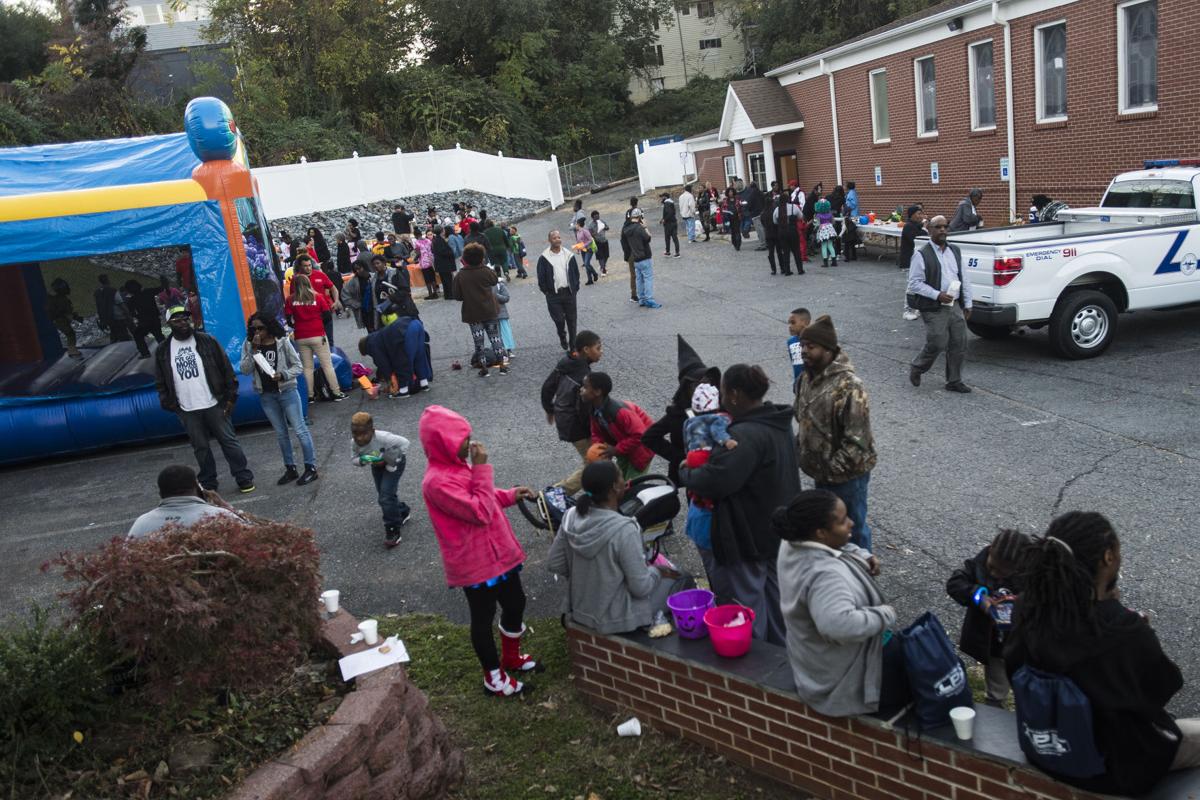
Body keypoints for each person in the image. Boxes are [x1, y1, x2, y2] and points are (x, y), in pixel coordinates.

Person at [1005, 512, 1200, 795]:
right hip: (1117, 768)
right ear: (1108, 557)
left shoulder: (1027, 609)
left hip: (1047, 751)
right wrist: (1133, 630)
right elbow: (1163, 688)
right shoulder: (1122, 629)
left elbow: (1015, 667)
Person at [418, 405, 540, 697]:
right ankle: (493, 677)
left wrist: (510, 494)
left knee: (515, 603)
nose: (470, 443)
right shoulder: (436, 482)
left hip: (499, 555)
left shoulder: (459, 467)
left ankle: (511, 656)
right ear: (443, 443)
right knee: (482, 619)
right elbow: (480, 511)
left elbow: (482, 493)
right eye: (463, 438)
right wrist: (483, 467)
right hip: (476, 565)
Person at [680, 364, 798, 645]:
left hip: (747, 534)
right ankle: (782, 660)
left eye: (723, 391)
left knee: (747, 606)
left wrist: (686, 471)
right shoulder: (776, 422)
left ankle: (756, 671)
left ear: (733, 394)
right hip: (775, 529)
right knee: (775, 599)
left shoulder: (745, 435)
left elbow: (715, 481)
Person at [775, 490, 907, 718]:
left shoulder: (793, 539)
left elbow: (835, 546)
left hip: (811, 662)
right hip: (840, 679)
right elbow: (838, 625)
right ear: (821, 532)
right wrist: (885, 614)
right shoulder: (823, 574)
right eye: (843, 521)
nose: (851, 523)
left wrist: (860, 555)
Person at [547, 460, 692, 633]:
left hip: (581, 608)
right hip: (615, 617)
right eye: (621, 477)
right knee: (682, 578)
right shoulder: (624, 529)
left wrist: (589, 577)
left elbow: (555, 563)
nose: (625, 481)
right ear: (615, 487)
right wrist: (658, 571)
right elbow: (641, 588)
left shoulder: (571, 515)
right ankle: (653, 632)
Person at [794, 315, 877, 550]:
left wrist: (832, 470)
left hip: (847, 477)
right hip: (822, 473)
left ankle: (862, 576)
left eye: (811, 347)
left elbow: (857, 441)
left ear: (828, 349)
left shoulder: (850, 386)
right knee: (829, 533)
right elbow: (802, 418)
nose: (804, 351)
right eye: (802, 346)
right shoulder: (805, 378)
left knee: (854, 530)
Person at [153, 305, 255, 493]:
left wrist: (230, 398)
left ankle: (243, 476)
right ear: (168, 324)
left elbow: (226, 369)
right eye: (177, 320)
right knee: (200, 447)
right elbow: (160, 380)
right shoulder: (163, 350)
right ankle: (208, 482)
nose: (183, 323)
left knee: (229, 441)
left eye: (185, 318)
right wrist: (170, 404)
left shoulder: (207, 341)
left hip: (214, 403)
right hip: (186, 408)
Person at [946, 529, 1030, 707]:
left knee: (1025, 679)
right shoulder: (979, 564)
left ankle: (1027, 706)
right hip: (993, 644)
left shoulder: (1029, 577)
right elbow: (955, 583)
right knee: (997, 679)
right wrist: (978, 596)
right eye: (992, 567)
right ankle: (995, 703)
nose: (994, 574)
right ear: (991, 549)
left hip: (1020, 641)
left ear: (1018, 567)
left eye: (1003, 573)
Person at [240, 312, 317, 486]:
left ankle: (311, 467)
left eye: (261, 328)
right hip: (266, 395)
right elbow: (244, 369)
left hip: (287, 391)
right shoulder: (249, 344)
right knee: (281, 434)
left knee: (300, 430)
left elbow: (298, 366)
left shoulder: (281, 342)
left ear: (269, 327)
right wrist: (253, 349)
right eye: (254, 329)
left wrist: (283, 375)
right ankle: (290, 468)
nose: (257, 332)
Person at [908, 214, 973, 393]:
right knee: (937, 342)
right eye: (938, 227)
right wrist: (937, 295)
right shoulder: (921, 255)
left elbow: (964, 277)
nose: (943, 230)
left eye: (945, 226)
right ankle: (918, 367)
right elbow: (914, 284)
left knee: (959, 342)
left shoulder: (955, 251)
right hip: (934, 306)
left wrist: (968, 303)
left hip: (955, 304)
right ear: (929, 230)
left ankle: (954, 380)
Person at [541, 331, 603, 495]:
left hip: (565, 419)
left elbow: (547, 387)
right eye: (598, 348)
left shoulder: (567, 361)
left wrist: (549, 408)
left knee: (595, 461)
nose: (601, 351)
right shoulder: (584, 376)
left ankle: (595, 492)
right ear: (586, 349)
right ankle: (556, 493)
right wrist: (595, 427)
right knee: (595, 464)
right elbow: (583, 410)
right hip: (575, 425)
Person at [127, 464, 244, 539]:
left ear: (161, 494)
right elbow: (257, 534)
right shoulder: (220, 516)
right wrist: (227, 507)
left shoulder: (141, 523)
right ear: (197, 489)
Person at [351, 411, 411, 547]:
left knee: (385, 496)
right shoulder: (354, 443)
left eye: (363, 434)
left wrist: (391, 460)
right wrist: (363, 460)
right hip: (376, 466)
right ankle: (402, 511)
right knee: (384, 494)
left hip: (393, 464)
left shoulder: (384, 438)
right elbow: (353, 458)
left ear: (372, 431)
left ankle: (392, 529)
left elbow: (405, 443)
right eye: (355, 434)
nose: (359, 438)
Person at [580, 372, 655, 480]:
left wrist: (616, 450)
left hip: (642, 448)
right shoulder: (594, 409)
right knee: (619, 481)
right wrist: (599, 448)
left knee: (632, 485)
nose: (581, 390)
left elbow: (640, 435)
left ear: (597, 392)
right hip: (624, 447)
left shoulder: (620, 412)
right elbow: (596, 432)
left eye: (585, 387)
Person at [286, 274, 348, 403]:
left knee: (307, 367)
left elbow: (288, 319)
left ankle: (310, 396)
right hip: (318, 334)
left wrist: (297, 324)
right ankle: (336, 392)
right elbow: (326, 316)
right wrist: (318, 324)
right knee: (327, 365)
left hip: (301, 336)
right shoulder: (317, 297)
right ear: (308, 283)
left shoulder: (290, 299)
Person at [453, 243, 506, 377]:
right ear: (481, 257)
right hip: (490, 310)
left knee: (479, 342)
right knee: (496, 338)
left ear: (465, 258)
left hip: (472, 313)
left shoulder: (460, 275)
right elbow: (495, 280)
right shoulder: (486, 271)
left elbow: (457, 296)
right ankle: (502, 366)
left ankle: (484, 369)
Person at [358, 316, 432, 398]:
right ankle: (424, 384)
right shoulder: (377, 336)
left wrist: (390, 381)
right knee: (419, 357)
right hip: (415, 324)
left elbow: (384, 365)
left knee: (401, 361)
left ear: (365, 349)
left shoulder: (371, 345)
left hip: (405, 332)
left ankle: (404, 391)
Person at [536, 230, 583, 350]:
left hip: (569, 293)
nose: (557, 239)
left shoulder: (568, 255)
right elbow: (541, 278)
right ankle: (562, 335)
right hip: (553, 295)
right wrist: (546, 291)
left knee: (572, 321)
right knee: (559, 320)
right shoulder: (544, 258)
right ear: (549, 240)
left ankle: (573, 347)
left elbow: (575, 273)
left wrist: (575, 287)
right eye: (554, 238)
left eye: (559, 237)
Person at [621, 209, 661, 309]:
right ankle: (649, 300)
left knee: (639, 279)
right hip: (645, 256)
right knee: (648, 278)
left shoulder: (626, 229)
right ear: (639, 217)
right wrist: (645, 227)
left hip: (635, 258)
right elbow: (648, 238)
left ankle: (641, 299)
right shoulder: (639, 228)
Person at [122, 280, 166, 359]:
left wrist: (138, 317)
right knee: (159, 335)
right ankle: (166, 350)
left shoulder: (132, 300)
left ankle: (145, 353)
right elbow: (161, 288)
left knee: (138, 335)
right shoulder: (148, 292)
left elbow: (131, 313)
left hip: (144, 322)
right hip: (155, 319)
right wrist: (163, 280)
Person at [898, 204, 926, 320]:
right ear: (912, 215)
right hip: (909, 261)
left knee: (921, 285)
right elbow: (919, 240)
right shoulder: (909, 226)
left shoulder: (916, 226)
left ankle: (918, 308)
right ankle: (907, 310)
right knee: (911, 286)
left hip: (917, 261)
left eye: (922, 213)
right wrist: (924, 228)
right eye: (919, 214)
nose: (921, 216)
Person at [785, 307, 810, 390]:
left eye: (793, 323)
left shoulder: (813, 341)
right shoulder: (791, 342)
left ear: (804, 323)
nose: (790, 326)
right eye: (789, 323)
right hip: (798, 386)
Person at [432, 226, 458, 300]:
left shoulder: (437, 239)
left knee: (445, 280)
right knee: (447, 280)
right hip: (444, 264)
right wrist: (450, 253)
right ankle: (450, 294)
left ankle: (447, 295)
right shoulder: (439, 240)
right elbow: (443, 251)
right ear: (441, 231)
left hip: (441, 264)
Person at [494, 275, 515, 363]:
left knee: (506, 333)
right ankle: (499, 352)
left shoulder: (500, 285)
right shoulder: (483, 286)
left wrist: (495, 295)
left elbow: (506, 298)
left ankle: (509, 350)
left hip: (501, 314)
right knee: (495, 335)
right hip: (490, 315)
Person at [412, 230, 438, 299]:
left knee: (427, 279)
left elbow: (418, 254)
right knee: (432, 277)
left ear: (415, 236)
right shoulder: (428, 240)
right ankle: (435, 293)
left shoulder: (416, 242)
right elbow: (432, 249)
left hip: (424, 263)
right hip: (431, 261)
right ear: (421, 234)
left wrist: (414, 259)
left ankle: (430, 294)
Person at [814, 195, 838, 268]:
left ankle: (825, 262)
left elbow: (817, 224)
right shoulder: (830, 214)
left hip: (823, 230)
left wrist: (815, 227)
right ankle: (834, 261)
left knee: (824, 246)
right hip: (830, 229)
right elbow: (833, 222)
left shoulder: (818, 215)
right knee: (830, 245)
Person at [574, 219, 599, 284]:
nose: (575, 225)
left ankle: (595, 274)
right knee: (586, 264)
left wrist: (584, 245)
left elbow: (590, 240)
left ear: (579, 224)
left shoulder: (585, 231)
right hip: (583, 250)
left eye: (576, 224)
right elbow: (578, 241)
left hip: (589, 249)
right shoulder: (578, 232)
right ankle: (590, 280)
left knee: (587, 263)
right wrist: (578, 249)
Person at [842, 181, 859, 262]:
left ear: (848, 186)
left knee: (848, 236)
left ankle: (848, 256)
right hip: (853, 216)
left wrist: (846, 208)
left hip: (851, 217)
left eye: (845, 185)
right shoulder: (852, 192)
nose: (844, 186)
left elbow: (853, 204)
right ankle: (853, 255)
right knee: (851, 236)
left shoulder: (851, 193)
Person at [660, 192, 680, 258]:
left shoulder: (667, 203)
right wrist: (663, 219)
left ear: (665, 197)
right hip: (673, 222)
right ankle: (676, 252)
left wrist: (664, 219)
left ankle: (669, 252)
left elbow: (669, 213)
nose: (661, 198)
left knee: (668, 238)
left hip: (669, 224)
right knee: (674, 238)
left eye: (662, 197)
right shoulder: (671, 202)